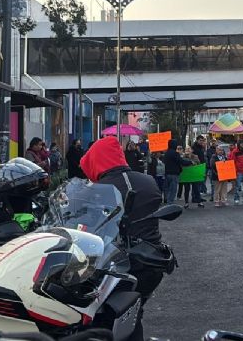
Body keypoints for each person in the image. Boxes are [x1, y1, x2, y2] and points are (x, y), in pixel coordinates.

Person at [79, 137, 166, 341]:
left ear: (97, 160)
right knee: (132, 314)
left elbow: (85, 224)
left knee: (106, 318)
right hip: (151, 259)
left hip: (118, 264)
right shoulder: (148, 181)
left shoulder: (98, 190)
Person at [162, 140, 183, 204]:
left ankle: (166, 200)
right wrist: (190, 162)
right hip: (174, 173)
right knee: (173, 189)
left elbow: (164, 161)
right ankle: (170, 202)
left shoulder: (166, 153)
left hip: (167, 173)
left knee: (167, 188)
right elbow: (180, 161)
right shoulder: (175, 153)